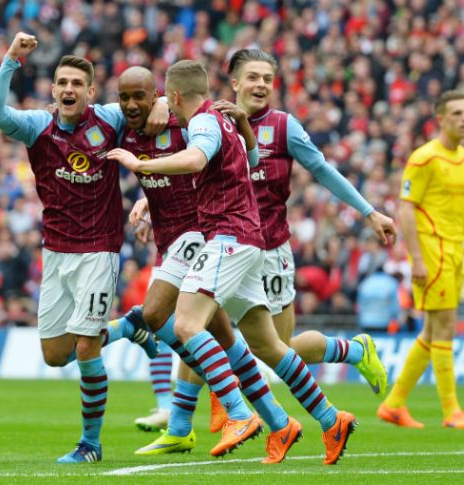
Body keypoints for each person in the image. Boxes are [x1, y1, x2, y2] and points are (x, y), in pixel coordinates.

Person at [108, 60, 356, 466]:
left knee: (187, 323)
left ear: (170, 97)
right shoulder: (223, 120)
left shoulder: (203, 123)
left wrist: (139, 165)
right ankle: (329, 419)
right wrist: (242, 127)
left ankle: (239, 414)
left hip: (227, 237)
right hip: (246, 241)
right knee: (265, 344)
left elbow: (194, 161)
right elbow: (253, 161)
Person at [0, 32, 165, 464]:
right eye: (62, 83)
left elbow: (151, 107)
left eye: (76, 84)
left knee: (85, 348)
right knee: (54, 355)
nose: (68, 89)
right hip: (57, 251)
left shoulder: (110, 119)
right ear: (53, 89)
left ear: (90, 91)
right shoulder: (37, 126)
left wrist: (157, 104)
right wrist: (11, 58)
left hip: (99, 248)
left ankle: (91, 444)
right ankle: (129, 327)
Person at [212, 48, 395, 401]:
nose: (261, 84)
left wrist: (370, 212)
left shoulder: (283, 126)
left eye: (267, 78)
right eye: (253, 77)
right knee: (199, 322)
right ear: (234, 82)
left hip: (270, 249)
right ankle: (182, 419)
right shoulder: (213, 122)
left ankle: (354, 351)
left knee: (280, 348)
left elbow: (324, 171)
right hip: (225, 245)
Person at [377, 90, 464, 429]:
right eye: (456, 113)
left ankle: (394, 404)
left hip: (455, 253)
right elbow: (405, 209)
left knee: (432, 330)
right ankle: (451, 410)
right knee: (445, 328)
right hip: (432, 251)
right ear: (440, 118)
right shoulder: (423, 158)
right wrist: (417, 259)